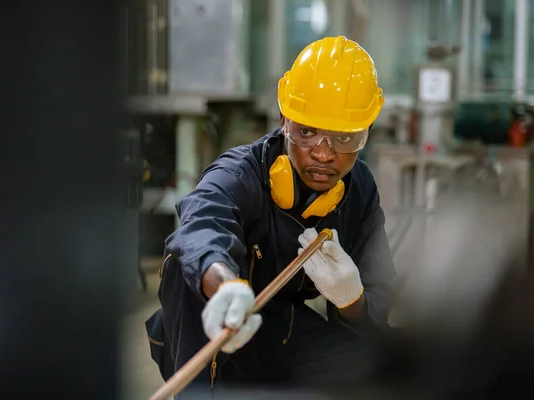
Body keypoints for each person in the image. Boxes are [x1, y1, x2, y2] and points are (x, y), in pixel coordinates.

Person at [145, 36, 396, 398]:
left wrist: (351, 298)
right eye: (307, 132)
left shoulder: (359, 190)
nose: (324, 154)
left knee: (376, 369)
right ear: (284, 121)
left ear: (365, 134)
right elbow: (201, 227)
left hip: (283, 331)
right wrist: (224, 288)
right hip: (212, 333)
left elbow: (380, 294)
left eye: (344, 137)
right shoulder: (241, 174)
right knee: (183, 265)